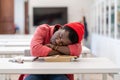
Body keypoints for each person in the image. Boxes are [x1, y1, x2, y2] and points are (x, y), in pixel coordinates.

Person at [19, 22, 84, 80]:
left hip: (59, 72)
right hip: (36, 70)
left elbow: (77, 50)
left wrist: (54, 47)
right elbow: (35, 50)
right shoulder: (43, 29)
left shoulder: (71, 41)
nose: (57, 41)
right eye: (60, 36)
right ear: (60, 28)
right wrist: (63, 51)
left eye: (62, 44)